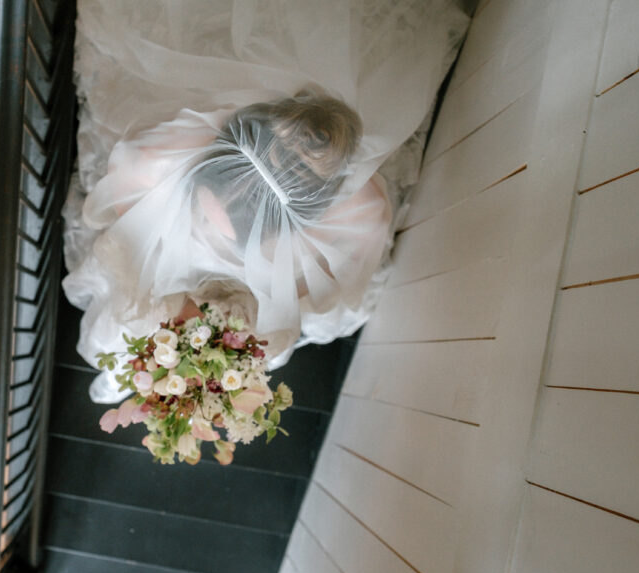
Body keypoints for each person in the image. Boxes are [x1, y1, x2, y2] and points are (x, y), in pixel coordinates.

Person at [62, 0, 469, 403]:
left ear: (297, 221)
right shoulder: (170, 153)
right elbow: (124, 203)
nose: (210, 226)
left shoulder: (355, 213)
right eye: (208, 213)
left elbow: (332, 277)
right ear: (214, 151)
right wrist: (167, 295)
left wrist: (236, 310)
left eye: (222, 222)